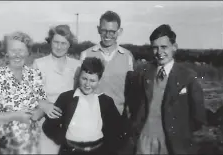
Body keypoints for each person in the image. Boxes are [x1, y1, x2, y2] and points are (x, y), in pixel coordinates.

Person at [123, 24, 207, 154]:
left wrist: (180, 132)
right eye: (155, 48)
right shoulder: (142, 73)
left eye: (164, 47)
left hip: (172, 144)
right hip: (144, 140)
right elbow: (133, 103)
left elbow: (198, 116)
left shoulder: (187, 76)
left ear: (174, 47)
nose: (159, 52)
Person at [0, 31, 47, 154]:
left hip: (29, 145)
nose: (17, 55)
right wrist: (16, 116)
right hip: (2, 144)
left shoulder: (35, 75)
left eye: (21, 50)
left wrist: (39, 112)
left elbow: (42, 104)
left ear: (28, 52)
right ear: (5, 53)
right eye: (13, 50)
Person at [42, 57, 124, 155]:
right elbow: (48, 126)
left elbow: (117, 128)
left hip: (98, 150)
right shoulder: (66, 98)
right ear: (79, 77)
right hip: (70, 151)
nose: (87, 84)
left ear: (99, 81)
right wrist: (62, 140)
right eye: (84, 79)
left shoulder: (106, 101)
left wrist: (109, 148)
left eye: (92, 81)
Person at [32, 24, 81, 154]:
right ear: (50, 42)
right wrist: (44, 105)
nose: (59, 47)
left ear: (69, 44)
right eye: (56, 42)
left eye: (63, 43)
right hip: (45, 123)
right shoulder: (39, 64)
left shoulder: (77, 66)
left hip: (69, 124)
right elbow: (31, 93)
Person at [80, 10, 134, 115]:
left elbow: (131, 91)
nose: (107, 35)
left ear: (119, 31)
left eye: (112, 31)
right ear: (98, 29)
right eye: (104, 30)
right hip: (90, 115)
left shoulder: (128, 56)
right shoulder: (86, 54)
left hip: (117, 116)